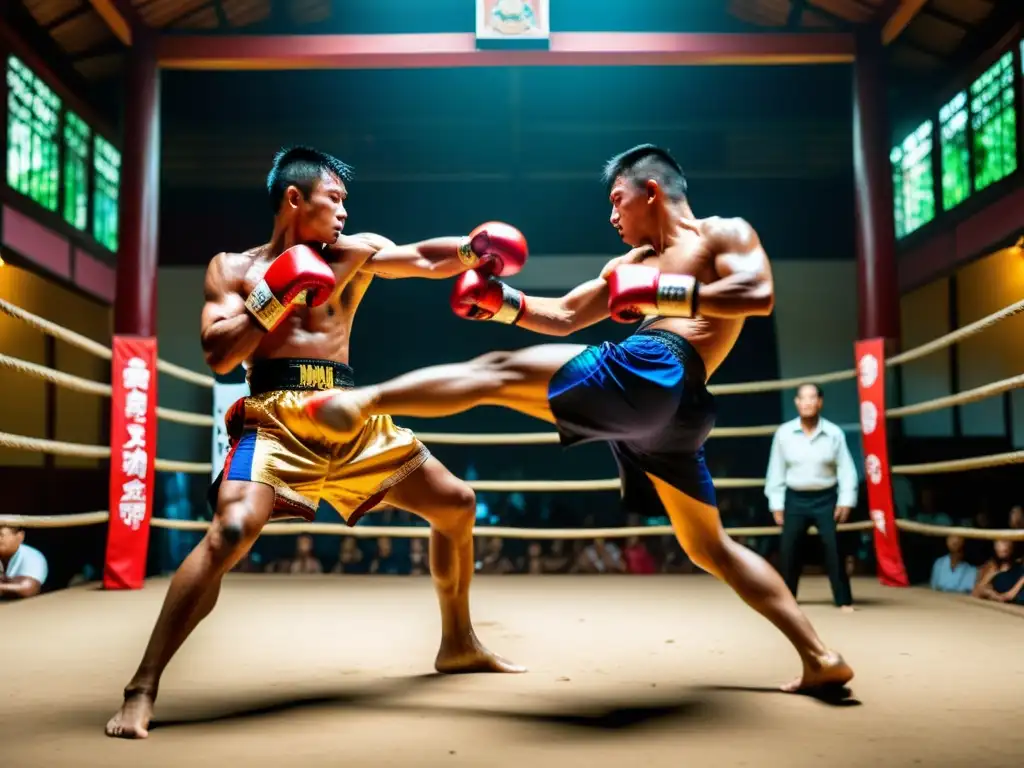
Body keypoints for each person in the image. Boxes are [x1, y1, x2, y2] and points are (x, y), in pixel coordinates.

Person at [305, 143, 853, 691]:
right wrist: (503, 303)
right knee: (710, 547)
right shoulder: (627, 266)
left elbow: (756, 295)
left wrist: (662, 294)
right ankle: (819, 655)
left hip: (663, 368)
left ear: (652, 191)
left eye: (618, 201)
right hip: (671, 413)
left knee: (495, 372)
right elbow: (566, 315)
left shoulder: (722, 233)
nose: (612, 217)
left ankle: (360, 401)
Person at [105, 146, 528, 740]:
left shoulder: (352, 255)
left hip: (347, 415)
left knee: (457, 504)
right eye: (335, 198)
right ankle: (142, 686)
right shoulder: (231, 269)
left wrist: (470, 250)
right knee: (229, 532)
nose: (344, 212)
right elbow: (220, 353)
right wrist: (276, 296)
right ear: (294, 199)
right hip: (275, 419)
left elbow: (420, 260)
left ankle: (458, 643)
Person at [765, 383, 858, 611]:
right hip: (794, 499)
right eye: (803, 398)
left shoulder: (834, 433)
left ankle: (843, 600)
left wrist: (845, 500)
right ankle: (786, 600)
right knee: (788, 550)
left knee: (834, 549)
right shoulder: (784, 433)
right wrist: (776, 504)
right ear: (796, 402)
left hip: (826, 498)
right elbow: (775, 470)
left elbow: (847, 470)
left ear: (820, 402)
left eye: (812, 397)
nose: (807, 402)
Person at [0, 524, 48, 599]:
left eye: (1, 534)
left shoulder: (32, 557)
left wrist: (3, 587)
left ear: (20, 536)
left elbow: (29, 587)